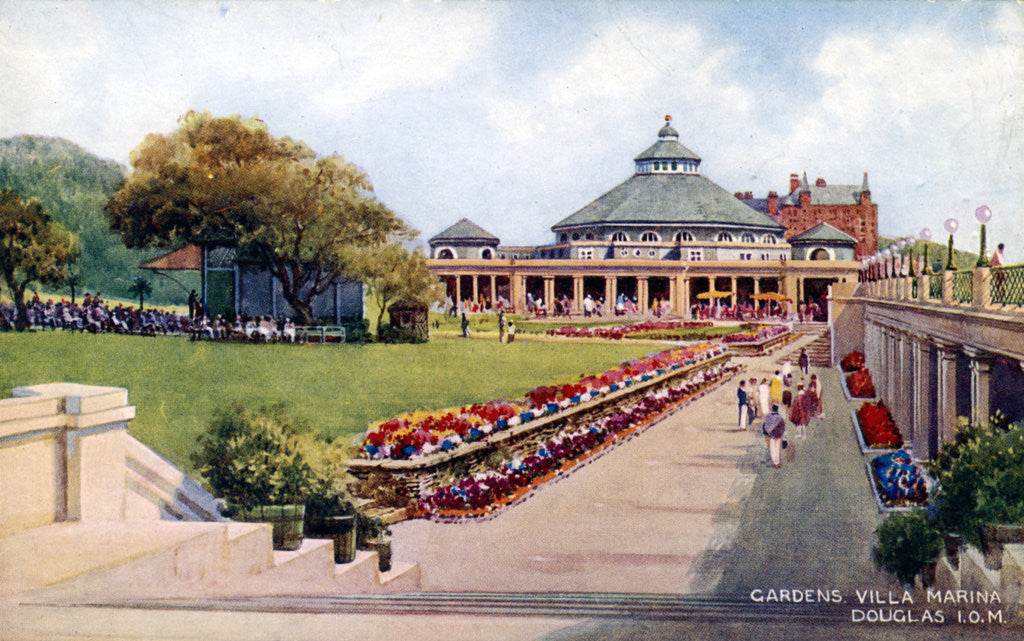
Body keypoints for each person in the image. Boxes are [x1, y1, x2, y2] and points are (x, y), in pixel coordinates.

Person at [763, 403, 786, 468]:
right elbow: (783, 427)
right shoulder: (780, 417)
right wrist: (782, 434)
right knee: (778, 448)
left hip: (771, 435)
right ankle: (777, 462)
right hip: (778, 434)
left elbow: (765, 426)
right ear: (777, 409)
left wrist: (766, 433)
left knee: (772, 448)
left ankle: (774, 462)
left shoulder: (768, 416)